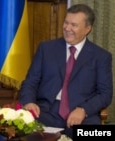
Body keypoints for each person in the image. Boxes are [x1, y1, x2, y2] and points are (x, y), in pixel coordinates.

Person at [18, 4, 113, 138]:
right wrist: (28, 102)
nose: (67, 28)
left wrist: (84, 110)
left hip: (83, 117)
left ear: (87, 29)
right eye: (66, 22)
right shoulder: (46, 49)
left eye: (73, 25)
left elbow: (105, 93)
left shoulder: (101, 56)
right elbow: (30, 82)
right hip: (45, 113)